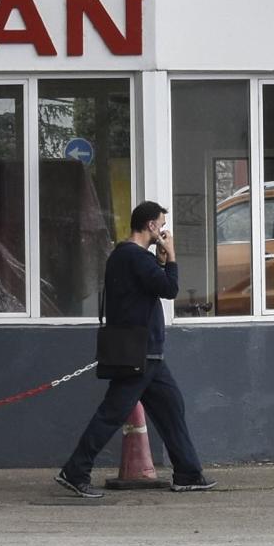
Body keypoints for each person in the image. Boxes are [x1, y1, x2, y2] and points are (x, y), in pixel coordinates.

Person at [55, 201, 216, 498]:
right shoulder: (135, 257)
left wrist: (159, 261)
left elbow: (146, 288)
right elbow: (168, 289)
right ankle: (75, 470)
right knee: (111, 414)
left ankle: (188, 472)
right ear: (151, 226)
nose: (164, 230)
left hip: (144, 352)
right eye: (162, 224)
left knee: (171, 407)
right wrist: (172, 258)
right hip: (141, 352)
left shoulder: (123, 256)